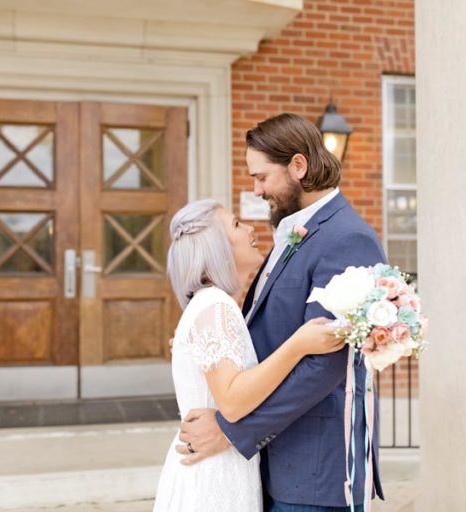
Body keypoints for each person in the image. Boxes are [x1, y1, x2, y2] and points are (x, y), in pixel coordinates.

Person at [175, 113, 387, 512]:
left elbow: (325, 364)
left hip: (314, 471)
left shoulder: (347, 238)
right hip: (275, 462)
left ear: (298, 166)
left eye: (261, 177)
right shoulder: (295, 231)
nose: (256, 190)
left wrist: (231, 430)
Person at [153, 198, 346, 511]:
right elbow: (231, 400)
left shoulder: (212, 305)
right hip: (214, 474)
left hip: (219, 466)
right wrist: (298, 345)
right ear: (216, 248)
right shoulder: (216, 306)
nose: (250, 229)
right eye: (236, 225)